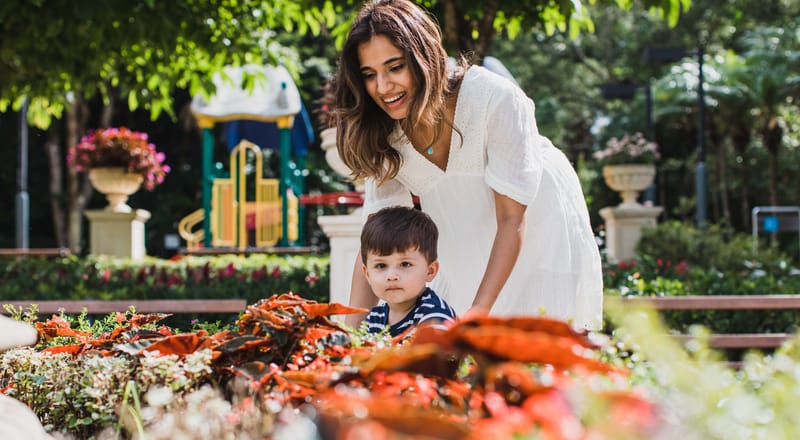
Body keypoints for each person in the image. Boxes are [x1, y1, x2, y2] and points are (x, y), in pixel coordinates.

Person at [335, 0, 603, 330]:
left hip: (535, 220)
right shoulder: (382, 131)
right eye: (369, 74)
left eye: (395, 67)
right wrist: (347, 335)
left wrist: (478, 312)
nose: (383, 86)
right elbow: (375, 241)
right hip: (461, 226)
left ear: (423, 57)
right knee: (462, 343)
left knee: (529, 336)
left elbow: (512, 218)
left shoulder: (493, 98)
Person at [360, 206, 457, 336]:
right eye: (381, 265)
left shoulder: (435, 317)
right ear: (367, 274)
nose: (392, 276)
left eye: (405, 264)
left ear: (430, 271)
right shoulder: (374, 318)